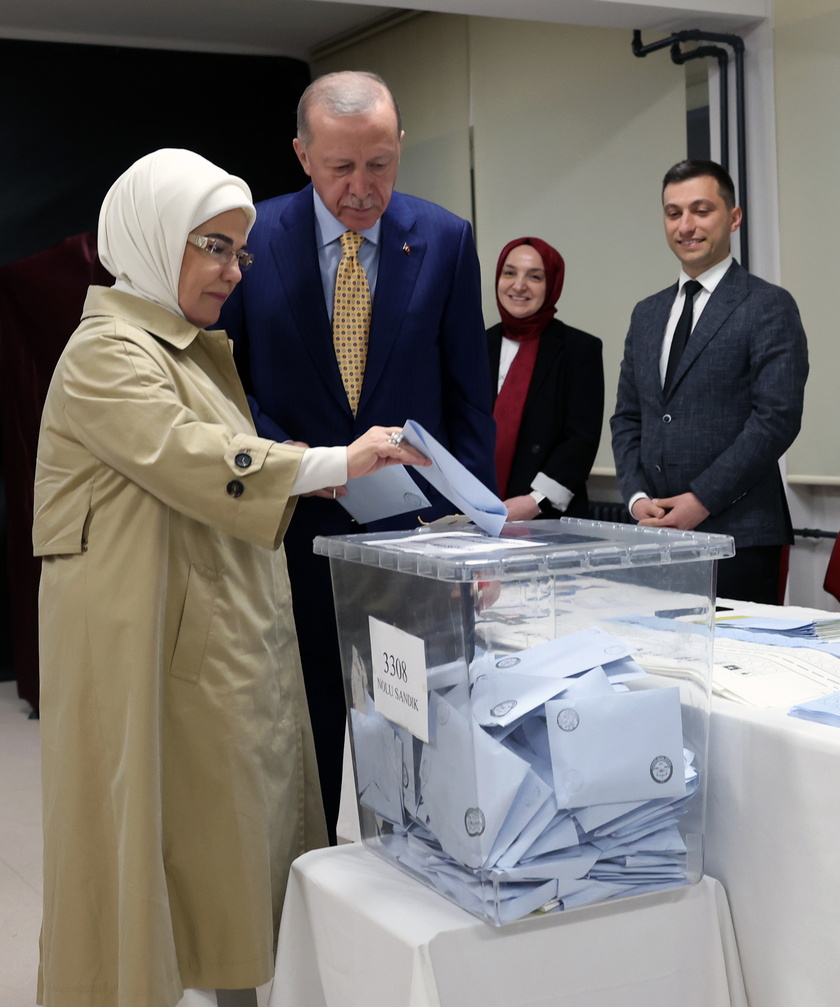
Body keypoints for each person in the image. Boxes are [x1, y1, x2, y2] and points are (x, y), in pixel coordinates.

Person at [32, 148, 430, 1007]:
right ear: (153, 236)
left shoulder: (183, 349)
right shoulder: (108, 351)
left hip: (200, 641)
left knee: (221, 836)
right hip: (138, 646)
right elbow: (193, 454)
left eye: (239, 253)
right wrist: (329, 460)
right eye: (214, 247)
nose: (232, 272)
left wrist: (321, 463)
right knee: (143, 836)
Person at [219, 70, 496, 839]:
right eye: (341, 167)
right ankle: (308, 897)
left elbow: (468, 398)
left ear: (400, 146)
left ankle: (418, 878)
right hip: (294, 534)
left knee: (419, 732)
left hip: (417, 542)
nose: (362, 188)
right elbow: (224, 382)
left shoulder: (444, 239)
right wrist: (291, 453)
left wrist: (482, 536)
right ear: (302, 154)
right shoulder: (254, 239)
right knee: (303, 734)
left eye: (380, 163)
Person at [610, 159, 809, 603]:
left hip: (739, 536)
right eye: (673, 212)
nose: (686, 225)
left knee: (738, 668)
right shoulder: (647, 313)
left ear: (734, 218)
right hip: (654, 533)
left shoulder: (767, 305)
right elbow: (628, 417)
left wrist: (700, 499)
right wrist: (637, 496)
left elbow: (776, 419)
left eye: (702, 210)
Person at [487, 237, 604, 521]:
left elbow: (580, 440)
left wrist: (534, 501)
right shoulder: (475, 345)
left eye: (535, 277)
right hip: (479, 512)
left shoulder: (579, 349)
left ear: (552, 285)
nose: (518, 285)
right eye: (510, 272)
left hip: (550, 518)